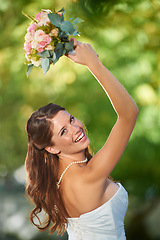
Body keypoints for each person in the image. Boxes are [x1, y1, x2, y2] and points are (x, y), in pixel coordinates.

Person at [25, 39, 139, 240]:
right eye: (63, 132)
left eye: (70, 119)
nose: (75, 128)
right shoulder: (88, 176)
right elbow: (129, 114)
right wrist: (94, 64)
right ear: (51, 149)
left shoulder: (57, 179)